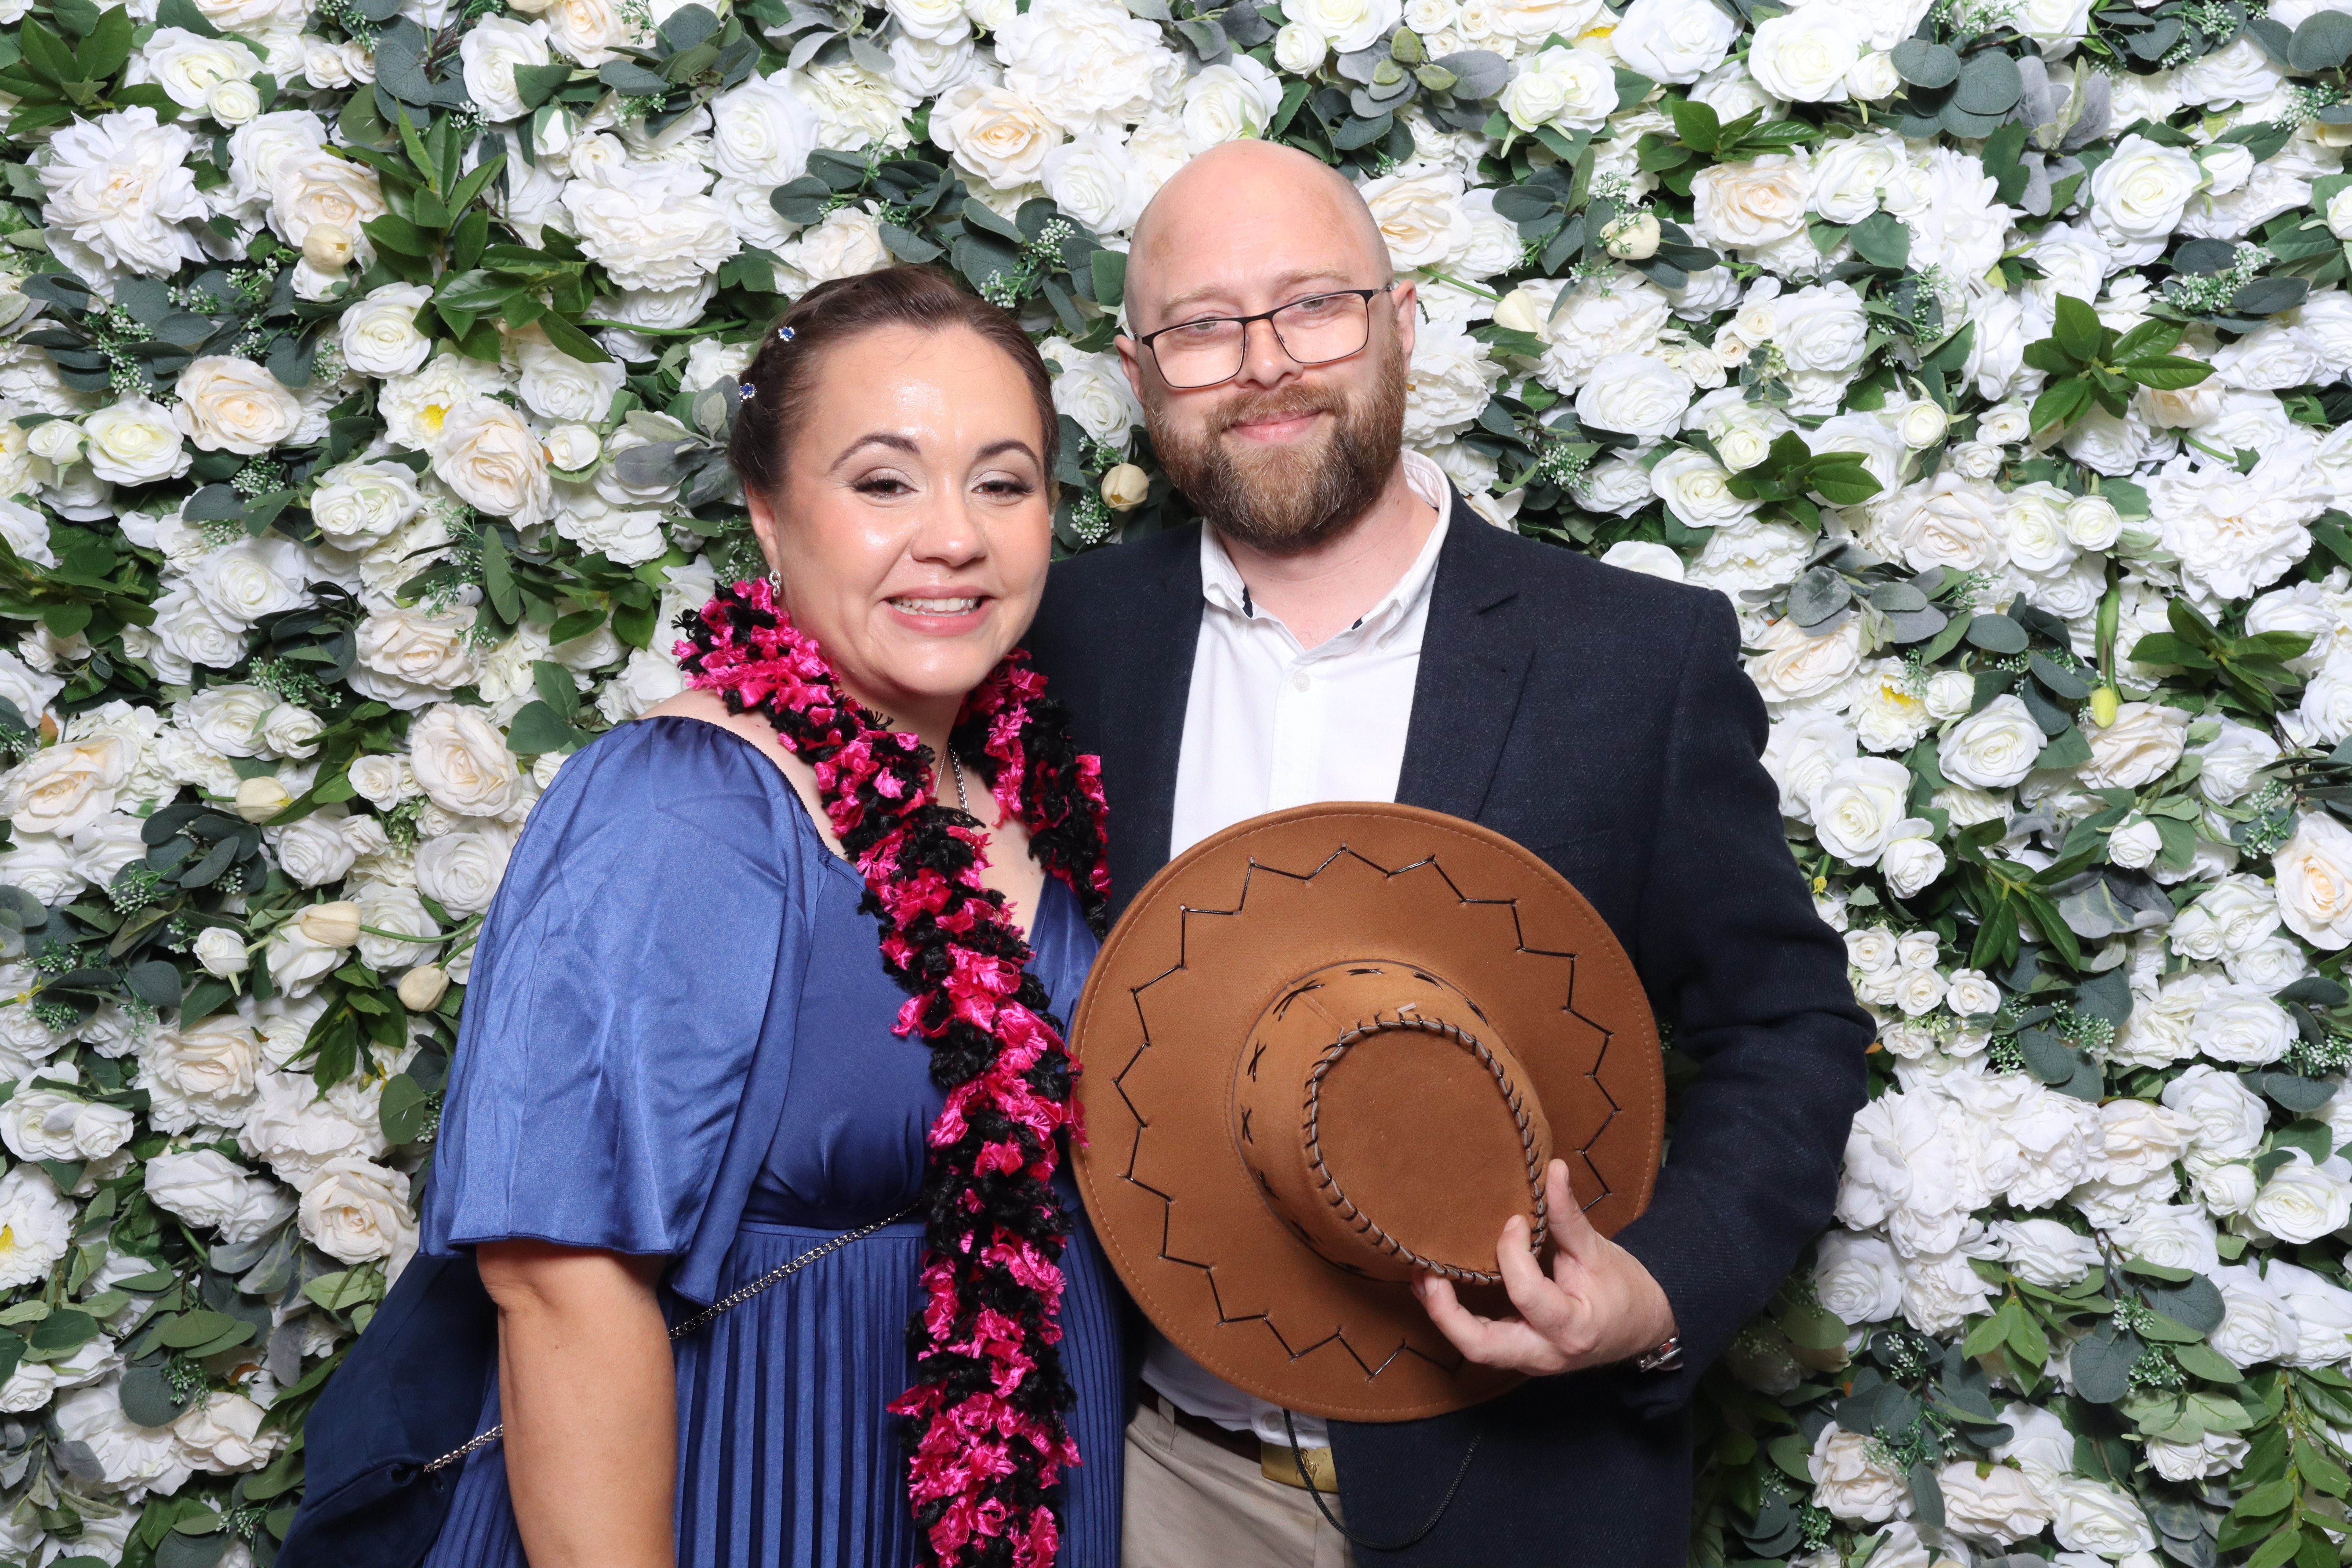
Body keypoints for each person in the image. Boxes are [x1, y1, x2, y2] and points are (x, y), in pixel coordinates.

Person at [1021, 140, 1873, 1567]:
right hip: (1159, 1485)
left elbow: (1791, 1024)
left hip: (1519, 1491)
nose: (1265, 364)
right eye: (1204, 326)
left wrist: (1657, 1291)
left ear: (1401, 322)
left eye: (1314, 305)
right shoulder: (1064, 641)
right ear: (1137, 372)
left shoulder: (1633, 659)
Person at [403, 266, 1126, 1567]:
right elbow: (556, 1282)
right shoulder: (682, 805)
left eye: (1002, 483)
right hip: (752, 1485)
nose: (954, 536)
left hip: (1026, 1495)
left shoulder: (1030, 792)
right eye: (884, 482)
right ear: (770, 514)